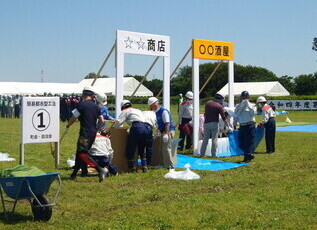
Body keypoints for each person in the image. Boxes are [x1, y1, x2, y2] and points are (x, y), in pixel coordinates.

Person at [66, 86, 108, 182]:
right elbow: (101, 120)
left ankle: (100, 170)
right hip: (93, 133)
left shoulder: (82, 104)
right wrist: (96, 129)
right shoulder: (96, 106)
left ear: (84, 95)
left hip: (85, 133)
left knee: (82, 153)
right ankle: (74, 174)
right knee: (79, 154)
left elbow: (74, 118)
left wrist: (68, 126)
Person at [113, 100, 149, 172]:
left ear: (123, 107)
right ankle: (145, 167)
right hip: (146, 128)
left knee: (131, 148)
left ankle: (132, 168)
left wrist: (113, 128)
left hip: (136, 127)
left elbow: (119, 122)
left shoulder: (126, 111)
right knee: (142, 148)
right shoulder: (137, 110)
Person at [200, 93, 231, 158]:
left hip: (206, 123)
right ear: (221, 99)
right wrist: (228, 126)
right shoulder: (219, 106)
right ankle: (213, 155)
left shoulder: (208, 103)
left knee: (205, 139)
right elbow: (224, 117)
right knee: (214, 140)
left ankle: (202, 154)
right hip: (214, 123)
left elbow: (205, 113)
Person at [148, 97, 176, 170]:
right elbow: (158, 124)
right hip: (162, 130)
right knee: (160, 148)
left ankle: (170, 165)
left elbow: (167, 123)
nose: (150, 108)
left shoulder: (163, 111)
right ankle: (163, 163)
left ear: (155, 104)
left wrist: (166, 134)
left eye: (151, 106)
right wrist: (157, 132)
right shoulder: (155, 112)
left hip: (168, 130)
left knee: (166, 148)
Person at [235, 91, 257, 163]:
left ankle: (246, 158)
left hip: (250, 125)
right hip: (242, 126)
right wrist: (241, 106)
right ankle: (249, 154)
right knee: (240, 143)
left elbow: (253, 113)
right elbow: (236, 114)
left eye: (246, 97)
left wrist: (248, 106)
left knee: (248, 142)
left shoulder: (253, 105)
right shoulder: (238, 105)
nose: (244, 99)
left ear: (248, 98)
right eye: (243, 97)